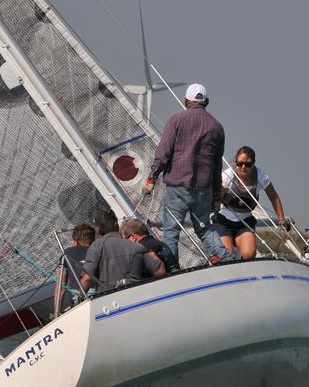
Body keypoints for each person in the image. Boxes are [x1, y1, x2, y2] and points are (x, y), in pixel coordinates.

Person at [141, 83, 232, 265]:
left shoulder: (176, 120)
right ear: (206, 102)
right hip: (203, 190)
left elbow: (163, 153)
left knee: (171, 231)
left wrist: (152, 177)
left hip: (177, 187)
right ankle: (226, 258)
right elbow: (216, 165)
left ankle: (173, 269)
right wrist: (215, 194)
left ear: (185, 101)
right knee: (205, 229)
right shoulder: (217, 127)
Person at [213, 145, 290, 260]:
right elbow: (216, 200)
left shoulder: (261, 176)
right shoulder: (228, 175)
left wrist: (282, 221)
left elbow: (274, 198)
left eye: (248, 164)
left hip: (245, 223)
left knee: (249, 254)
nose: (243, 167)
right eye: (240, 164)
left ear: (254, 163)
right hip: (224, 221)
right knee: (226, 255)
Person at [80, 209, 165, 293]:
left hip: (108, 299)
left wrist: (80, 297)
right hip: (137, 295)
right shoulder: (137, 246)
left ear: (97, 229)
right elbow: (160, 271)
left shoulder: (96, 246)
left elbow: (87, 279)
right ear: (117, 225)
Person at [54, 223, 94, 311]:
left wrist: (56, 312)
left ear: (75, 241)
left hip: (77, 302)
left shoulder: (67, 253)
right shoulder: (99, 251)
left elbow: (60, 287)